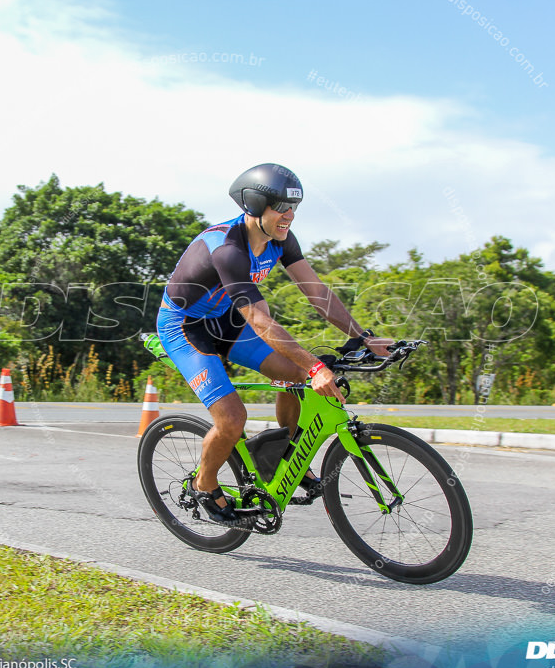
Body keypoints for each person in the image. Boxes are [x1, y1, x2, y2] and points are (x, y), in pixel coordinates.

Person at [156, 163, 394, 527]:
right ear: (254, 206)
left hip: (228, 321)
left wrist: (362, 336)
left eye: (294, 208)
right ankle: (205, 483)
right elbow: (262, 321)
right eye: (281, 208)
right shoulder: (228, 249)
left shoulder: (281, 239)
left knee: (299, 376)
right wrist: (317, 367)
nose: (289, 216)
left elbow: (317, 293)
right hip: (185, 327)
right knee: (233, 419)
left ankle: (281, 457)